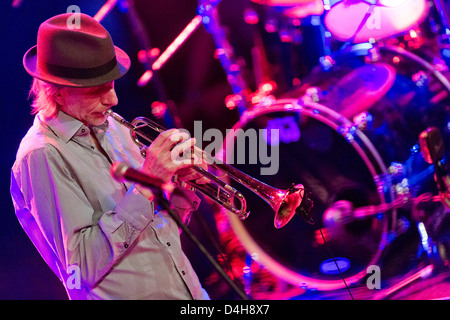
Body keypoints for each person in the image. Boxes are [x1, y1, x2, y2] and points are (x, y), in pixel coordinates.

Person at [10, 13, 210, 300]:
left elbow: (157, 236)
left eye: (112, 83)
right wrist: (148, 182)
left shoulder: (111, 125)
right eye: (97, 90)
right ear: (58, 92)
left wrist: (180, 188)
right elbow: (82, 267)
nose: (113, 100)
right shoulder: (41, 156)